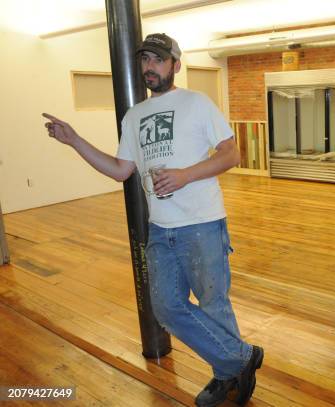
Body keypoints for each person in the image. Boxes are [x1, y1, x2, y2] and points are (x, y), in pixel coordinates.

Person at [43, 33, 263, 407]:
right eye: (145, 59)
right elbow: (119, 170)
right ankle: (241, 358)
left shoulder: (197, 103)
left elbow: (232, 154)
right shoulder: (134, 116)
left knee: (213, 304)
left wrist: (185, 175)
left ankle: (226, 374)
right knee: (165, 307)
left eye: (158, 60)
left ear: (175, 64)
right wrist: (75, 140)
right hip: (161, 228)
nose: (150, 67)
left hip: (202, 223)